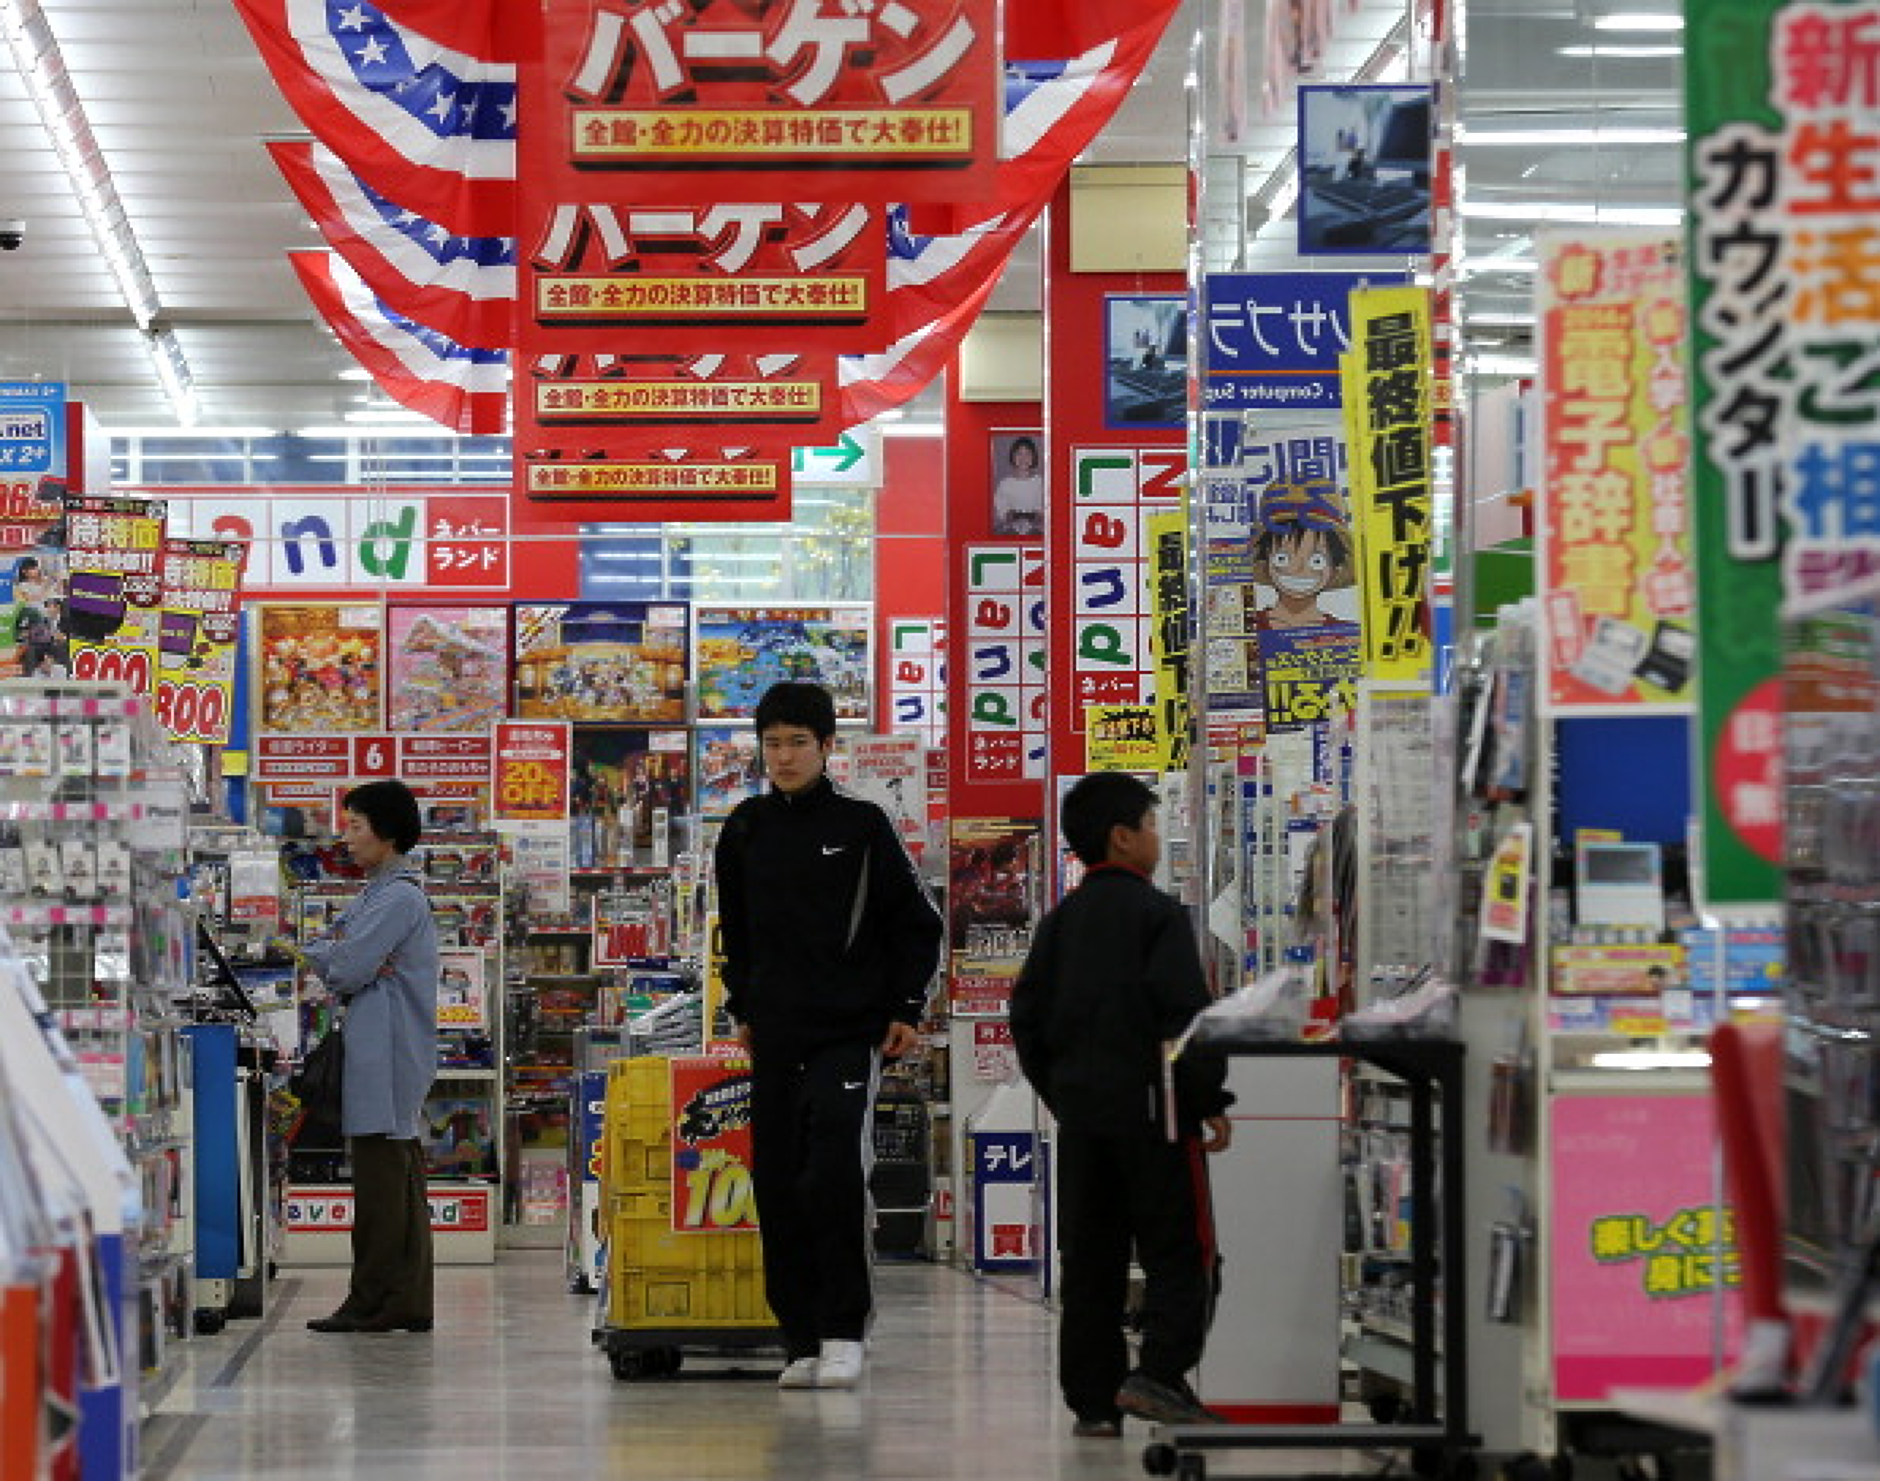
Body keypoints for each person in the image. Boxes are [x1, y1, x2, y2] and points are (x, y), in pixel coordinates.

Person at [713, 680, 944, 1391]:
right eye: (772, 742)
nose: (782, 756)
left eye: (796, 742)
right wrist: (741, 1005)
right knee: (777, 1181)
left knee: (834, 1167)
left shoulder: (865, 825)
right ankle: (801, 1337)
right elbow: (736, 934)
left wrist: (905, 1005)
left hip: (850, 1030)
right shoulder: (744, 827)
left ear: (826, 747)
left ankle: (846, 1327)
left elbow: (919, 923)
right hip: (774, 1033)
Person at [1009, 772, 1234, 1437]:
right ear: (1123, 836)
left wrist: (1064, 1092)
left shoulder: (1059, 924)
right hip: (1156, 1114)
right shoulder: (1157, 916)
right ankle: (1161, 1373)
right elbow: (1184, 1021)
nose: (1157, 838)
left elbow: (1028, 1021)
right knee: (1180, 1249)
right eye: (1153, 824)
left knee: (1091, 1256)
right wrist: (1206, 1097)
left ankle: (1094, 1399)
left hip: (1082, 1118)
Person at [299, 779, 439, 1335]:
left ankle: (373, 1300)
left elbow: (346, 966)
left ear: (385, 833)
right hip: (381, 1049)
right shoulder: (377, 893)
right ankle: (402, 1300)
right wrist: (338, 955)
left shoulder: (398, 898)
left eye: (356, 826)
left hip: (387, 1053)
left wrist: (330, 957)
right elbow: (342, 952)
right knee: (396, 1179)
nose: (347, 837)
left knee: (382, 1182)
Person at [991, 435, 1045, 538]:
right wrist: (1011, 516)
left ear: (1034, 457)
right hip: (1011, 528)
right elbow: (1003, 511)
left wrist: (1036, 516)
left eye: (1027, 454)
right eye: (1019, 453)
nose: (1023, 458)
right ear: (1012, 456)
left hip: (1036, 528)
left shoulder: (1041, 482)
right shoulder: (1005, 484)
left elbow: (1043, 511)